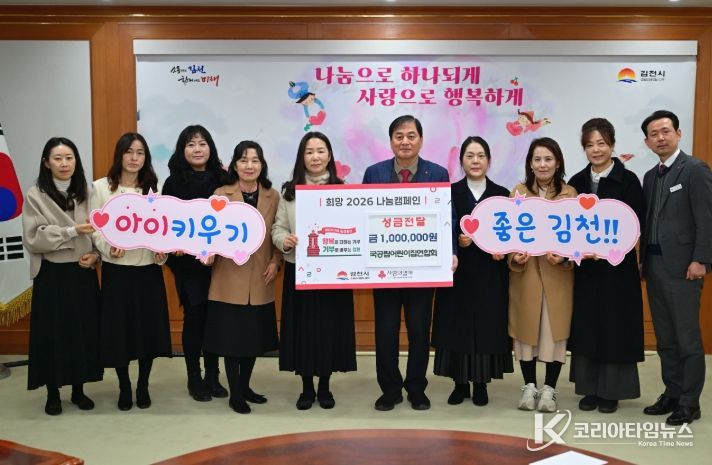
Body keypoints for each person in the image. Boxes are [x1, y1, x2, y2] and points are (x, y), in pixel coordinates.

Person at [362, 114, 451, 411]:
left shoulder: (437, 173)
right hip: (383, 269)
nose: (405, 141)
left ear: (421, 140)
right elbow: (363, 219)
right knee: (385, 332)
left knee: (419, 331)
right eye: (399, 136)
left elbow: (447, 219)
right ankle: (390, 390)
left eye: (411, 136)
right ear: (390, 141)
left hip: (423, 269)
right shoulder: (373, 173)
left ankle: (416, 388)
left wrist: (450, 253)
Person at [272, 132, 357, 410]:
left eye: (321, 151)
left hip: (334, 273)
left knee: (330, 330)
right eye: (309, 152)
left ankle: (325, 386)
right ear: (302, 157)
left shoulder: (342, 189)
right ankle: (307, 387)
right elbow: (278, 228)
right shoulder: (290, 191)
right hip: (300, 271)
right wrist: (284, 240)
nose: (315, 157)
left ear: (329, 156)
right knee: (304, 332)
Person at [567, 118, 646, 414]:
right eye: (590, 145)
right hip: (586, 271)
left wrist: (610, 249)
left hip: (617, 271)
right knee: (588, 328)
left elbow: (636, 224)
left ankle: (612, 391)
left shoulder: (629, 181)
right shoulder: (576, 182)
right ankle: (589, 389)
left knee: (615, 328)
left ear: (612, 145)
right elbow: (567, 226)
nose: (596, 150)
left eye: (601, 143)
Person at [639, 110, 712, 425]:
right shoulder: (649, 176)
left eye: (665, 131)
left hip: (684, 267)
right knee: (666, 337)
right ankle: (672, 392)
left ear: (678, 134)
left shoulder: (694, 169)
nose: (660, 138)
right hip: (654, 265)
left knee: (686, 337)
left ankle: (689, 402)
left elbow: (707, 218)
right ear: (647, 142)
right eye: (653, 134)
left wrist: (701, 259)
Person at [91, 132, 171, 411]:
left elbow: (164, 227)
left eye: (140, 153)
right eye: (129, 152)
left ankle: (143, 385)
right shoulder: (101, 187)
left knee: (148, 332)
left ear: (146, 157)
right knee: (119, 334)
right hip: (117, 273)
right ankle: (124, 386)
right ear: (120, 155)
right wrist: (107, 247)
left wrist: (162, 252)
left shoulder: (155, 188)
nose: (134, 158)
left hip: (148, 271)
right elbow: (95, 229)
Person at [22, 137, 102, 415]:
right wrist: (71, 231)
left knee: (83, 332)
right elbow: (34, 238)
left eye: (69, 157)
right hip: (52, 274)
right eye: (57, 158)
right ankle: (52, 393)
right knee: (52, 334)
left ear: (76, 161)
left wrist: (96, 256)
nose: (64, 163)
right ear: (46, 163)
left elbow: (99, 231)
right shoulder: (36, 194)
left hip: (82, 271)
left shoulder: (88, 191)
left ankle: (79, 390)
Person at [432, 136, 513, 407]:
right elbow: (440, 228)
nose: (475, 161)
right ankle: (459, 384)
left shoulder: (502, 194)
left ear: (488, 161)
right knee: (457, 326)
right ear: (461, 162)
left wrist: (502, 249)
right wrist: (456, 240)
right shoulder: (449, 192)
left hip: (491, 273)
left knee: (487, 326)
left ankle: (481, 384)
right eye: (469, 156)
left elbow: (511, 234)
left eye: (480, 156)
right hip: (459, 273)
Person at [204, 140, 281, 414]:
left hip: (261, 278)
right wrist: (207, 252)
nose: (249, 166)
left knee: (252, 340)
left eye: (255, 160)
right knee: (232, 341)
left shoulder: (273, 196)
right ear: (234, 165)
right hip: (228, 279)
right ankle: (235, 394)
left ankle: (245, 386)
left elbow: (278, 233)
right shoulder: (220, 194)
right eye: (243, 160)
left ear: (262, 165)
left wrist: (276, 261)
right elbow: (208, 233)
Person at [508, 137, 577, 413]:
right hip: (526, 274)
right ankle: (529, 386)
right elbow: (507, 233)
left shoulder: (570, 194)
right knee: (525, 331)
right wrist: (514, 256)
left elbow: (578, 236)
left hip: (557, 275)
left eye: (548, 159)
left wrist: (565, 256)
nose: (542, 164)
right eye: (537, 159)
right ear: (530, 164)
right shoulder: (519, 192)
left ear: (557, 162)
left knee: (554, 331)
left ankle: (549, 388)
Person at [163, 125, 229, 402]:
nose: (197, 149)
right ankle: (194, 375)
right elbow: (166, 222)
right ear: (182, 150)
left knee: (216, 319)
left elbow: (232, 220)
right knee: (195, 318)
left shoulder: (224, 179)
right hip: (188, 266)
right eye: (191, 144)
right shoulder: (173, 183)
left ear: (210, 147)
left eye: (202, 143)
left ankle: (213, 374)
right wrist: (174, 243)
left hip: (220, 264)